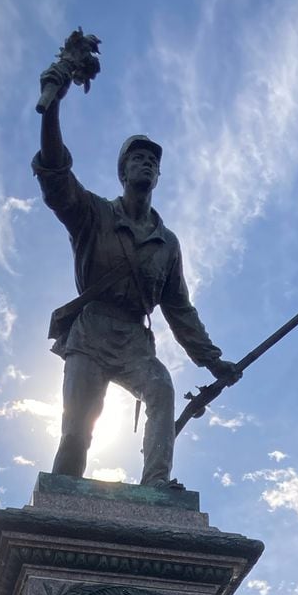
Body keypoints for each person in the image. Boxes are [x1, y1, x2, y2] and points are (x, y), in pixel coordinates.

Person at [33, 56, 239, 489]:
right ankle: (61, 501)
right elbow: (55, 177)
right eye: (137, 158)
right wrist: (52, 110)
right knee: (76, 434)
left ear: (158, 175)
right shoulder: (93, 214)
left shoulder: (167, 244)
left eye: (152, 161)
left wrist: (213, 361)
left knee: (161, 389)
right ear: (122, 171)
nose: (145, 164)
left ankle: (157, 483)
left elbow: (180, 311)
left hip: (134, 341)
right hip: (90, 335)